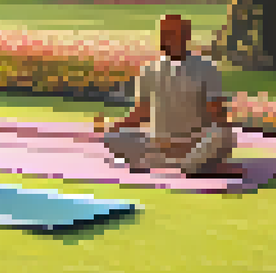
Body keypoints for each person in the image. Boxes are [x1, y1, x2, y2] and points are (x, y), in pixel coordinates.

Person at [94, 14, 241, 177]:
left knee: (223, 135)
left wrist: (216, 139)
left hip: (196, 144)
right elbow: (141, 113)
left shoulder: (207, 68)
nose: (166, 39)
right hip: (159, 145)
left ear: (186, 35)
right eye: (164, 34)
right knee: (114, 137)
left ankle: (189, 162)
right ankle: (189, 164)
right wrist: (114, 127)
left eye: (172, 33)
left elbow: (217, 115)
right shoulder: (149, 70)